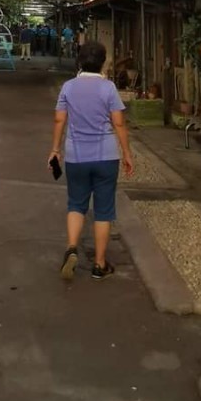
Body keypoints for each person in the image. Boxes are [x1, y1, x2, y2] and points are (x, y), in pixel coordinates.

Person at [49, 39, 134, 281]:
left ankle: (72, 248)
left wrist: (55, 150)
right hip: (106, 157)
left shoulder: (68, 87)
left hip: (76, 157)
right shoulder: (108, 88)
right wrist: (127, 154)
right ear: (102, 62)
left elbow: (59, 120)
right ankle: (99, 264)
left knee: (76, 204)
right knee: (103, 210)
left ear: (79, 61)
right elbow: (119, 123)